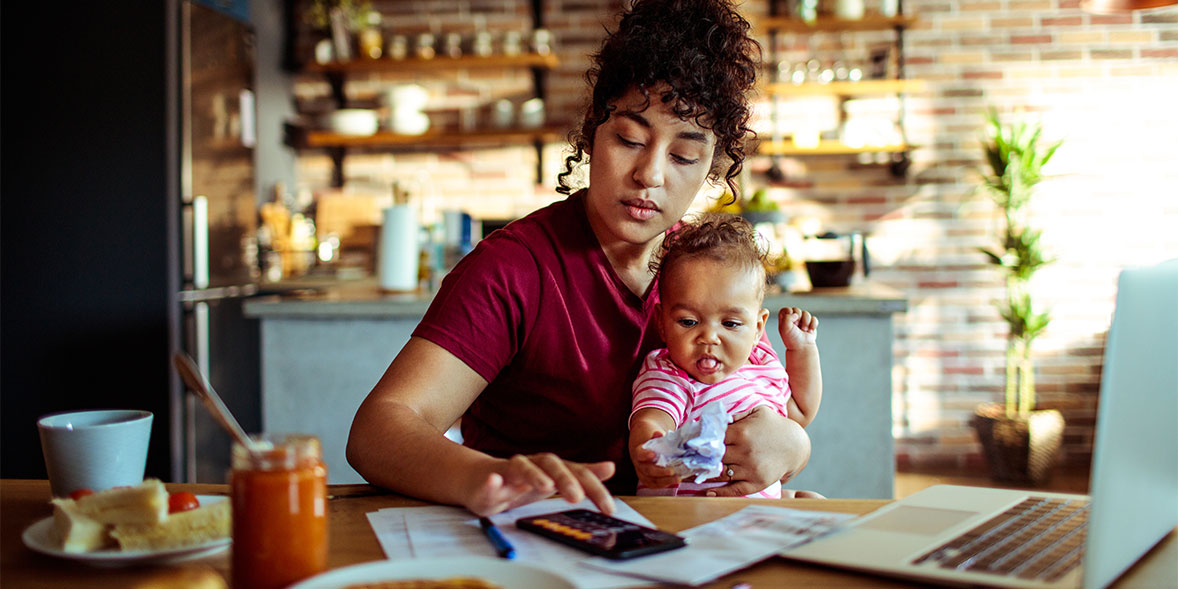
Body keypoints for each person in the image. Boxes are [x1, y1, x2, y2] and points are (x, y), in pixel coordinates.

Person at [346, 0, 812, 517]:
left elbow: (765, 399)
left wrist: (792, 446)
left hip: (679, 536)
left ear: (710, 166)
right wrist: (484, 475)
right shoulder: (515, 269)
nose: (651, 175)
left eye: (683, 156)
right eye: (630, 139)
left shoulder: (709, 272)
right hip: (535, 532)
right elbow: (378, 429)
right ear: (593, 131)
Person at [628, 213, 821, 498]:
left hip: (755, 512)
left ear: (757, 328)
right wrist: (649, 447)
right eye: (689, 322)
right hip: (692, 513)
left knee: (813, 502)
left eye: (730, 324)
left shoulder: (761, 364)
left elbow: (800, 413)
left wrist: (802, 350)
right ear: (662, 324)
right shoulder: (670, 374)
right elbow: (653, 418)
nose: (709, 337)